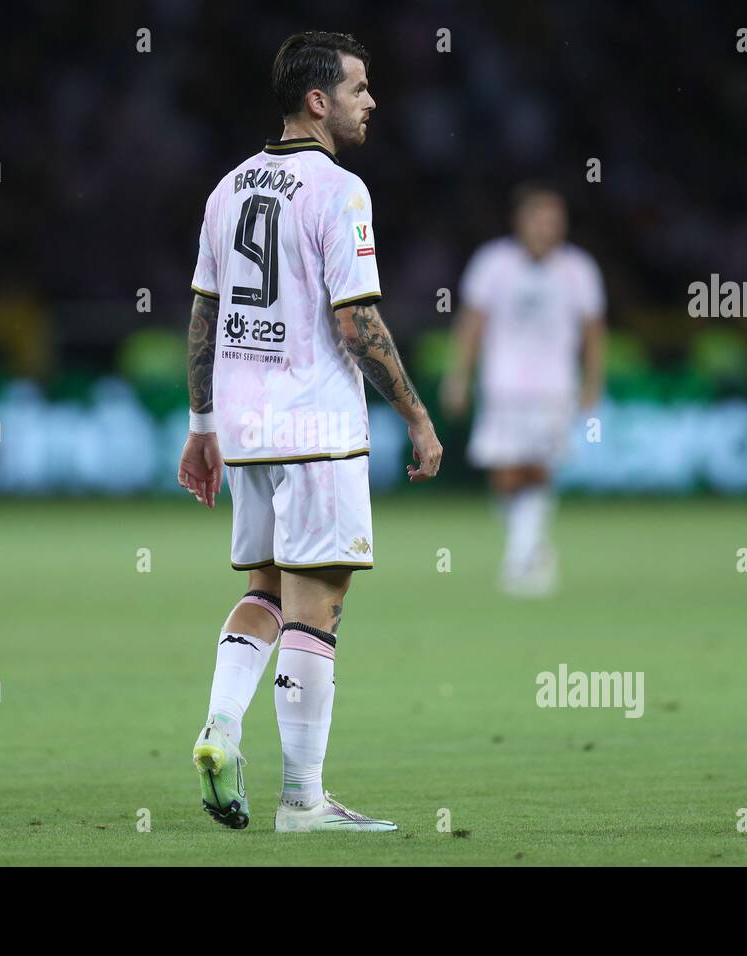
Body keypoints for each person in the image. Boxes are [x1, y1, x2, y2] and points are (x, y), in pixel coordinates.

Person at [178, 31, 442, 832]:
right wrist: (417, 415)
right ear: (318, 101)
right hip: (319, 427)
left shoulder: (228, 189)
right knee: (317, 608)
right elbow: (357, 322)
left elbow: (203, 315)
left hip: (248, 431)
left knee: (263, 590)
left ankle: (222, 729)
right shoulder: (339, 190)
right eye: (360, 88)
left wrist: (201, 424)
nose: (372, 102)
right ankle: (302, 799)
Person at [442, 185, 606, 596]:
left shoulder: (579, 269)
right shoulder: (493, 263)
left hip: (553, 389)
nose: (546, 227)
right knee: (505, 474)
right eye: (539, 218)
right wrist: (458, 376)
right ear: (521, 221)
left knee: (538, 470)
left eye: (554, 219)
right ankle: (533, 547)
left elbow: (593, 332)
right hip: (503, 386)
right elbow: (472, 324)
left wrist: (592, 381)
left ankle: (521, 557)